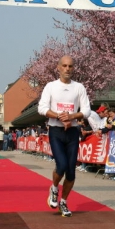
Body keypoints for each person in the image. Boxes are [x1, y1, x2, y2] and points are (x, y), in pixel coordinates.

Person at [38, 55, 91, 217]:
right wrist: (59, 116)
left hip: (73, 132)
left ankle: (64, 202)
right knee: (61, 166)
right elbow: (41, 108)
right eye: (65, 66)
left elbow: (87, 110)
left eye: (71, 66)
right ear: (58, 67)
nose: (68, 69)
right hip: (56, 131)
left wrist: (72, 117)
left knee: (71, 172)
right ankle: (54, 188)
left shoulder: (79, 87)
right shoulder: (51, 86)